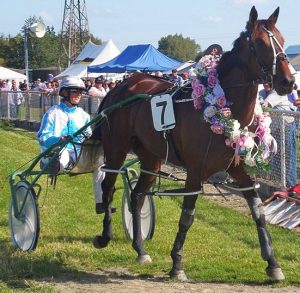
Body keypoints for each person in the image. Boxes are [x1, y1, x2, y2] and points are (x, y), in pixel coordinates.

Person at [37, 76, 110, 214]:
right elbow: (42, 136)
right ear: (65, 93)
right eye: (75, 91)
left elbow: (88, 133)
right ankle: (56, 165)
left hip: (79, 155)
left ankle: (101, 203)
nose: (79, 95)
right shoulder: (53, 113)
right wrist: (58, 139)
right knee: (62, 151)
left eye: (81, 92)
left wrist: (91, 137)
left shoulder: (83, 115)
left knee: (101, 164)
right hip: (57, 153)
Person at [263, 88, 297, 188]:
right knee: (277, 157)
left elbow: (265, 105)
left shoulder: (278, 91)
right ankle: (281, 184)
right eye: (265, 81)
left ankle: (291, 187)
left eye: (269, 82)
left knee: (288, 158)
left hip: (286, 127)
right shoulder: (261, 92)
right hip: (275, 129)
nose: (266, 84)